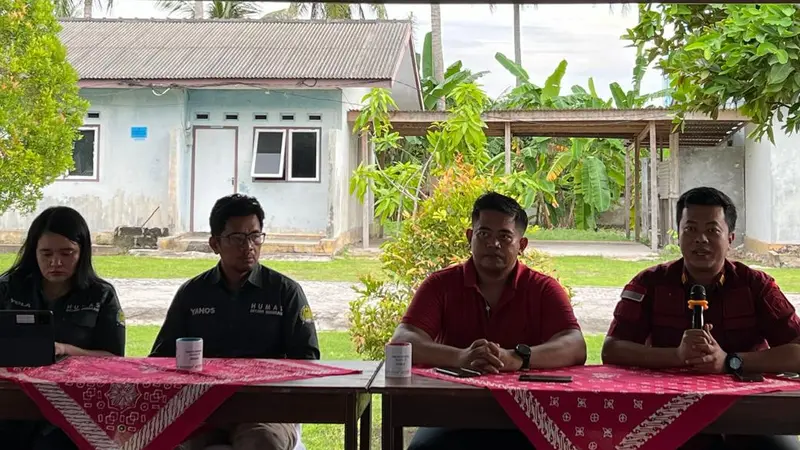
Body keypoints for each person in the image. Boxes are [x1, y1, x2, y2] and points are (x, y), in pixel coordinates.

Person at [602, 186, 800, 450]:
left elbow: (797, 351)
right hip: (669, 412)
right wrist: (677, 356)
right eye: (691, 229)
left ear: (730, 238)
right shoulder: (650, 283)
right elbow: (612, 349)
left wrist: (730, 361)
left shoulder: (756, 286)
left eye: (712, 231)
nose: (701, 240)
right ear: (678, 235)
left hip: (748, 410)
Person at [390, 192, 587, 450]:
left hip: (530, 415)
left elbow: (575, 345)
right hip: (453, 411)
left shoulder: (543, 289)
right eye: (484, 234)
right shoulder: (441, 285)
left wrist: (516, 358)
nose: (493, 244)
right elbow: (403, 340)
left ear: (522, 245)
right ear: (470, 237)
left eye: (505, 237)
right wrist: (460, 357)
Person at [150, 194, 319, 450]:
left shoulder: (285, 292)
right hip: (203, 410)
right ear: (214, 243)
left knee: (263, 442)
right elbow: (160, 357)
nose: (248, 246)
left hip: (265, 410)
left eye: (255, 236)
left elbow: (307, 359)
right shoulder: (193, 293)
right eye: (237, 238)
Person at [0, 206, 126, 450]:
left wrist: (66, 350)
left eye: (67, 253)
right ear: (33, 252)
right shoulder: (8, 288)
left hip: (77, 409)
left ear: (82, 252)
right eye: (45, 253)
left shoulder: (101, 295)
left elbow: (114, 360)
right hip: (11, 400)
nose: (55, 262)